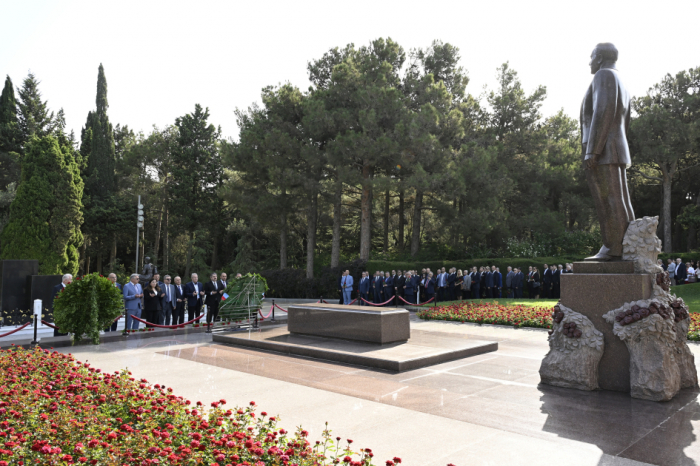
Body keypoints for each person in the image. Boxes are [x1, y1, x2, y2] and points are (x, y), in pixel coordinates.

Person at [582, 43, 635, 261]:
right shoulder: (619, 79)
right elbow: (626, 120)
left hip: (603, 149)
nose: (589, 61)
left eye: (592, 56)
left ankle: (612, 247)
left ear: (601, 57)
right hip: (616, 145)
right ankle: (627, 244)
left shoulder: (603, 75)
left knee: (609, 199)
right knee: (620, 198)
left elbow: (602, 111)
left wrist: (593, 150)